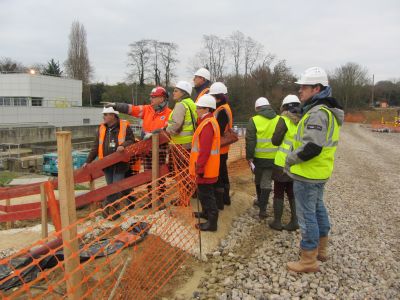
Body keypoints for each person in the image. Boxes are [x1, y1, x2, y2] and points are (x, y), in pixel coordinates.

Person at [286, 67, 344, 273]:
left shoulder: (318, 113)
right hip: (320, 172)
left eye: (304, 87)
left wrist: (290, 160)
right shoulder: (324, 111)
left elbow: (312, 147)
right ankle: (322, 250)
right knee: (318, 209)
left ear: (317, 88)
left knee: (307, 215)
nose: (300, 90)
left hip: (308, 173)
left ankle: (308, 260)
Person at [105, 87, 172, 209]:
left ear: (162, 98)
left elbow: (169, 129)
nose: (151, 99)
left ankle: (159, 200)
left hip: (160, 150)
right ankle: (151, 199)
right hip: (146, 150)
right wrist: (116, 105)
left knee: (159, 176)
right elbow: (132, 109)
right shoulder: (147, 110)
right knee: (148, 175)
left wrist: (156, 133)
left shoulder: (169, 113)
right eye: (151, 96)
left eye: (154, 97)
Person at [85, 107, 135, 220]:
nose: (104, 117)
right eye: (104, 114)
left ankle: (110, 209)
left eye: (106, 114)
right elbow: (95, 147)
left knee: (116, 187)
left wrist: (123, 145)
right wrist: (88, 161)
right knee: (111, 187)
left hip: (120, 163)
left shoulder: (124, 126)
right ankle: (124, 203)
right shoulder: (102, 128)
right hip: (106, 164)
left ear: (113, 115)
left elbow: (131, 140)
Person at [269, 95, 302, 231]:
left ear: (286, 106)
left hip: (282, 162)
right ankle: (295, 220)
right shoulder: (304, 119)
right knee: (292, 191)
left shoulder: (284, 120)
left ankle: (277, 221)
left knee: (279, 191)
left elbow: (276, 140)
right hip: (296, 162)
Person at [189, 94, 221, 231]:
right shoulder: (207, 121)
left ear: (206, 109)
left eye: (198, 108)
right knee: (204, 193)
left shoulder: (207, 124)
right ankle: (206, 213)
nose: (196, 110)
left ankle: (212, 222)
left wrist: (200, 167)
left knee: (207, 194)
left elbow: (205, 150)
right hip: (207, 167)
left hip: (206, 168)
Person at [246, 97, 279, 219]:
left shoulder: (253, 120)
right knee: (266, 182)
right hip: (274, 158)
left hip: (258, 158)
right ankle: (262, 208)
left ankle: (262, 205)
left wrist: (249, 157)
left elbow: (250, 141)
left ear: (257, 108)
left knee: (259, 181)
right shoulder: (279, 119)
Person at [209, 82, 233, 209]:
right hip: (223, 147)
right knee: (223, 173)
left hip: (219, 147)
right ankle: (225, 199)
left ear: (216, 96)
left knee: (218, 175)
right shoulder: (225, 107)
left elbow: (218, 129)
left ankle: (220, 203)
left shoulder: (222, 110)